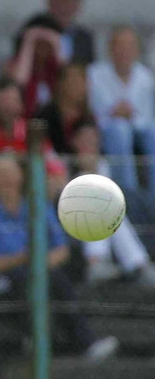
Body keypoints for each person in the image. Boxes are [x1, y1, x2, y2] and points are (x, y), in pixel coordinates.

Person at [0, 156, 118, 360]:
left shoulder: (38, 206)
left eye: (9, 173)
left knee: (53, 278)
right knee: (31, 282)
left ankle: (77, 343)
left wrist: (38, 265)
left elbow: (61, 250)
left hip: (39, 274)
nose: (6, 179)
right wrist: (21, 259)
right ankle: (71, 345)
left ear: (21, 175)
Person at [63, 121, 155, 288]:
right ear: (75, 141)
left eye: (93, 139)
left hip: (105, 217)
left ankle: (101, 262)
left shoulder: (106, 165)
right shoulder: (66, 165)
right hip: (73, 218)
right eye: (84, 139)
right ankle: (138, 263)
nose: (90, 143)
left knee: (110, 209)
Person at [87, 26, 155, 195]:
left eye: (130, 46)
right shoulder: (94, 74)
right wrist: (115, 113)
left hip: (138, 128)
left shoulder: (145, 77)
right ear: (110, 49)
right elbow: (94, 113)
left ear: (137, 50)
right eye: (120, 45)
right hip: (106, 129)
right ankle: (128, 195)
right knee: (120, 130)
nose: (125, 51)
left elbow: (146, 117)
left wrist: (129, 115)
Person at [9, 14, 65, 118]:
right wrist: (29, 41)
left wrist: (57, 43)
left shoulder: (55, 66)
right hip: (24, 120)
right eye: (38, 42)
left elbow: (67, 80)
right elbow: (19, 82)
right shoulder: (15, 65)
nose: (42, 48)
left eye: (47, 43)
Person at [35, 63, 93, 155]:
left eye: (83, 82)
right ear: (61, 84)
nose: (80, 87)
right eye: (74, 82)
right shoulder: (43, 117)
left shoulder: (88, 119)